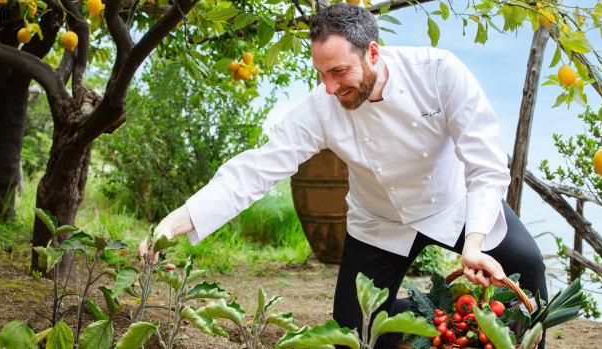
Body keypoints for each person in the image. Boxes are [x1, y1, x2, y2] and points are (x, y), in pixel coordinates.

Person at [139, 3, 547, 349]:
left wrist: (473, 243)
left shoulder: (439, 72)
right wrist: (172, 225)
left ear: (372, 52)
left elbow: (485, 163)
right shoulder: (322, 106)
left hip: (451, 202)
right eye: (321, 74)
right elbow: (256, 168)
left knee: (528, 266)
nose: (330, 87)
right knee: (355, 336)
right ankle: (435, 309)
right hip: (379, 221)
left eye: (338, 71)